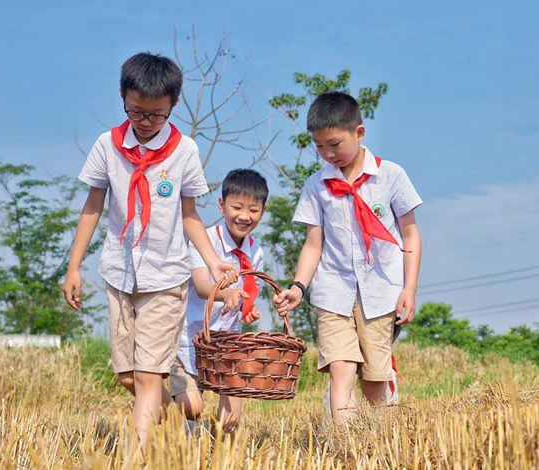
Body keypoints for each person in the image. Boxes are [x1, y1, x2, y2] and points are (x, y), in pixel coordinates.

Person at [62, 52, 239, 453]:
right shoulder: (107, 145)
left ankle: (136, 458)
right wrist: (74, 267)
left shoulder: (185, 151)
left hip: (165, 276)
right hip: (118, 273)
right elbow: (93, 207)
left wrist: (213, 261)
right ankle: (176, 426)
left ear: (173, 106)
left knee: (146, 378)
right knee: (128, 376)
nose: (145, 122)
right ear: (123, 97)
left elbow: (190, 215)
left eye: (156, 115)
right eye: (136, 111)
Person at [273, 91, 422, 425]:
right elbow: (314, 244)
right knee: (340, 368)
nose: (328, 154)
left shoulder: (391, 176)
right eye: (320, 146)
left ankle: (383, 445)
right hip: (332, 290)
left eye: (335, 144)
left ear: (359, 132)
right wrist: (298, 286)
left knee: (374, 377)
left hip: (381, 291)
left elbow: (410, 234)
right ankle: (344, 447)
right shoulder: (316, 185)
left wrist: (409, 288)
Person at [171, 168, 268, 436]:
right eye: (237, 207)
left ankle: (218, 455)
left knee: (231, 423)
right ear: (222, 205)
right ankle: (174, 427)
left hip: (228, 341)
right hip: (191, 338)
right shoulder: (206, 241)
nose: (245, 216)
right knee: (192, 407)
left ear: (263, 210)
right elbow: (203, 286)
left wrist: (248, 309)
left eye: (254, 210)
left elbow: (250, 290)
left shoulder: (256, 251)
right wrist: (225, 293)